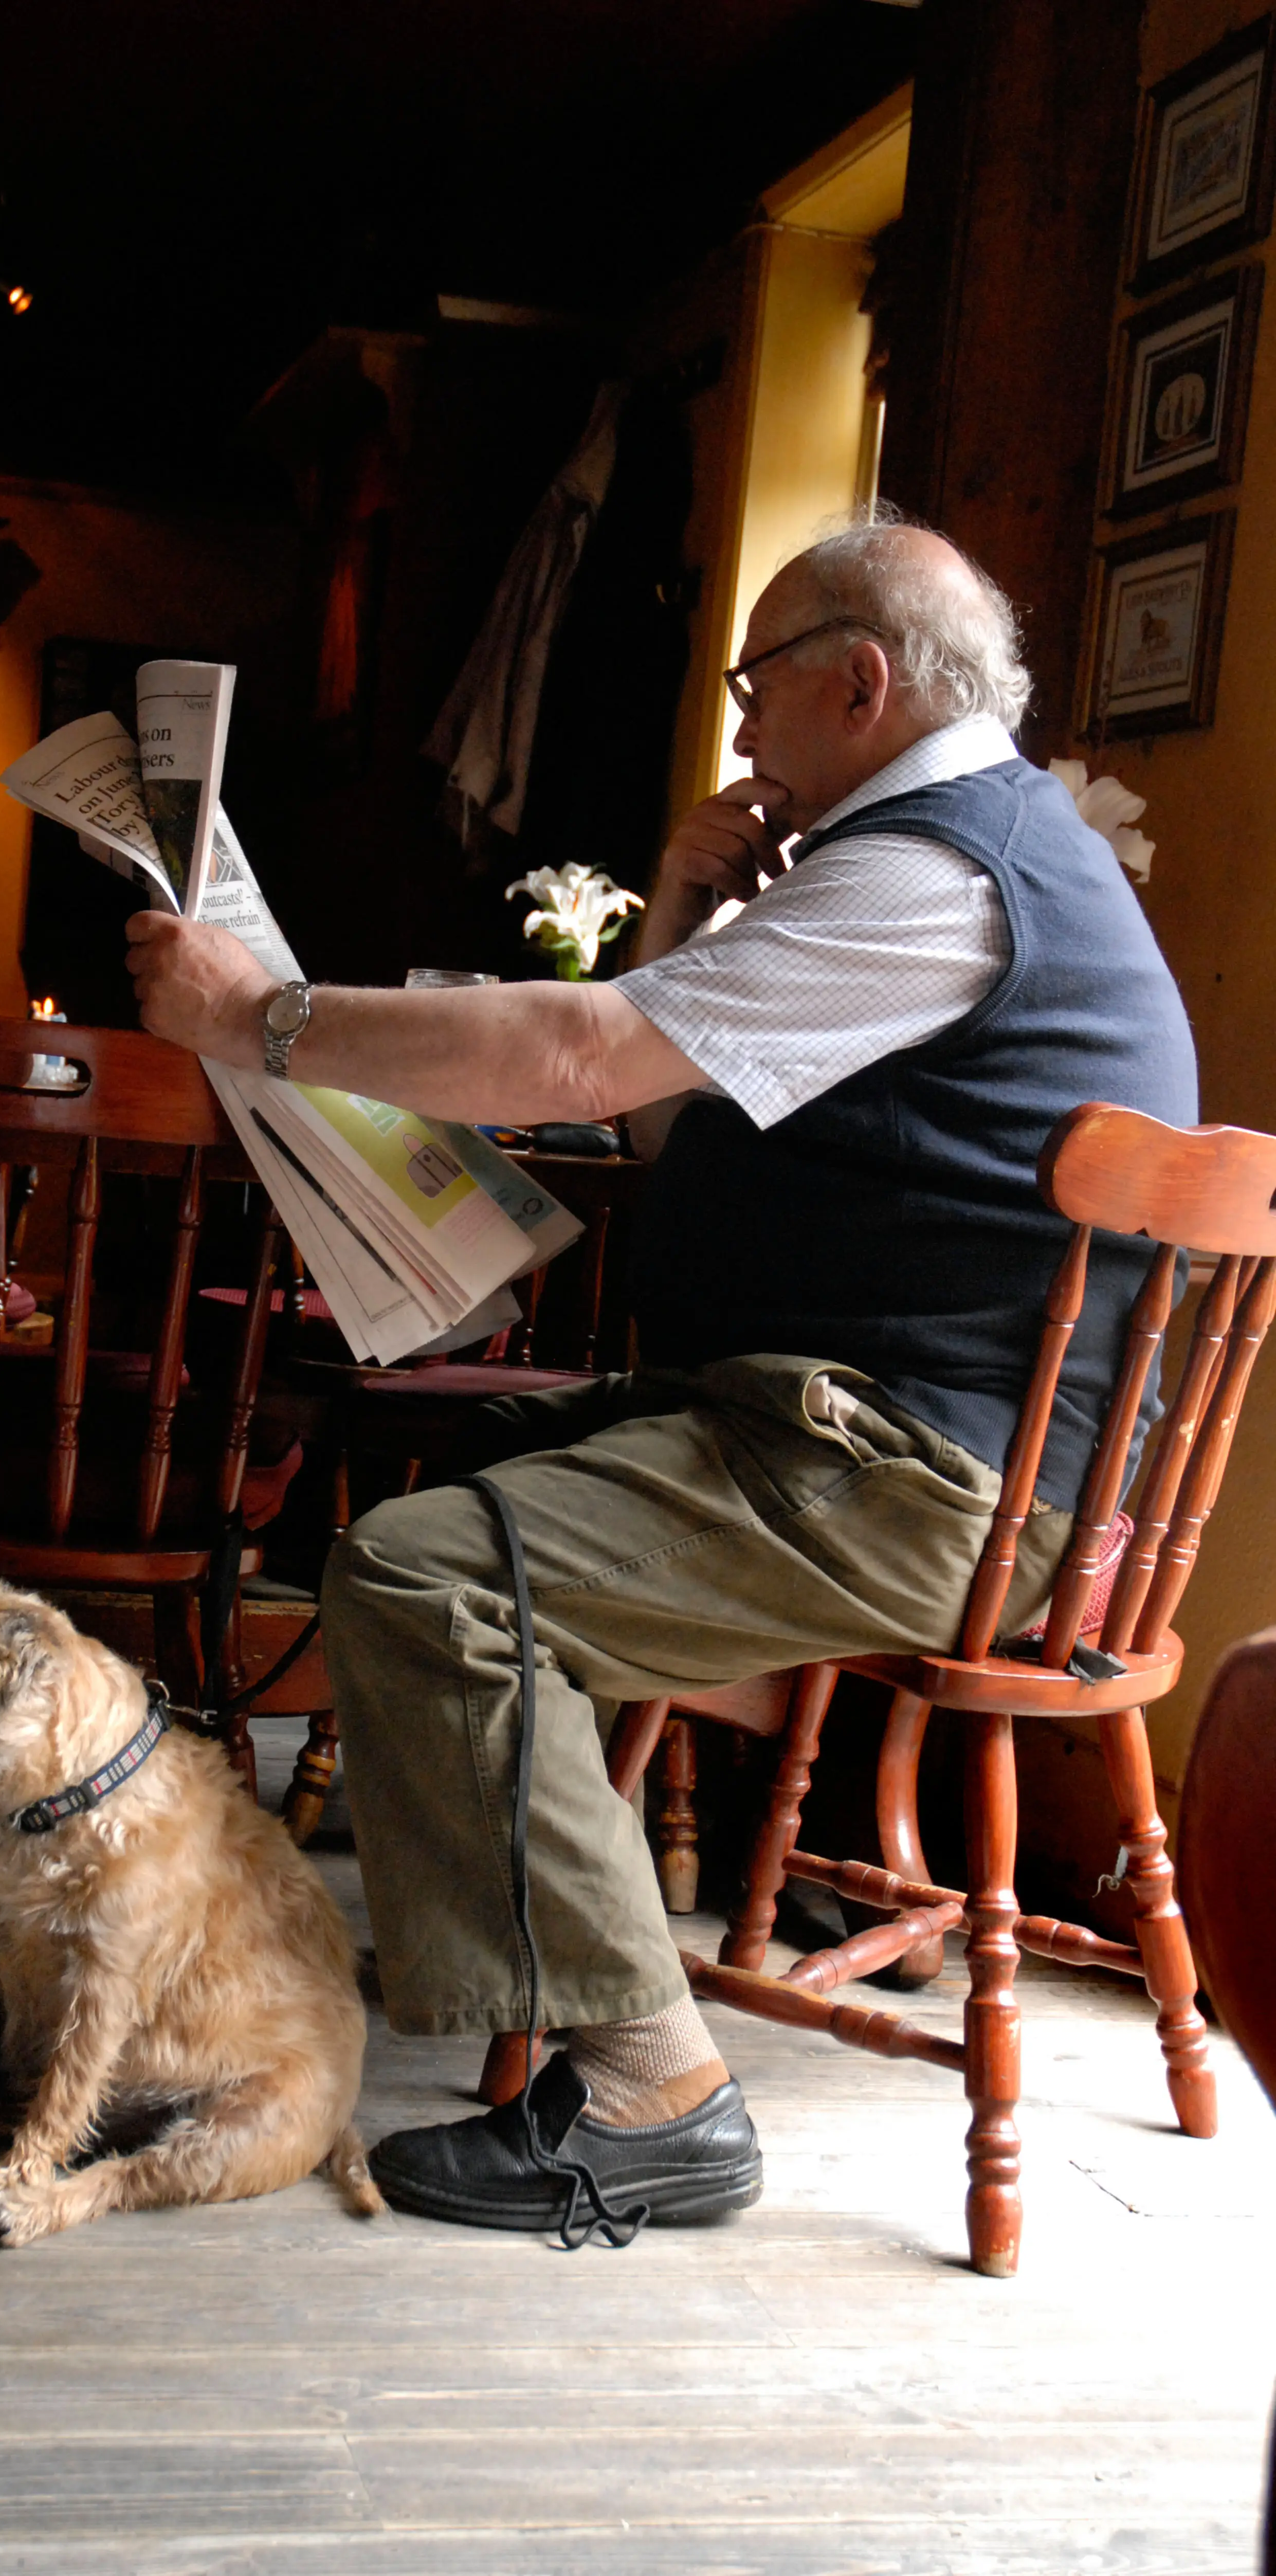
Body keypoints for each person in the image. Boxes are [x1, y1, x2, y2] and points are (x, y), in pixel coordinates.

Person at [125, 515, 1197, 2234]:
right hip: (851, 1435)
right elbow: (647, 1109)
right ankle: (346, 1956)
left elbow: (574, 1057)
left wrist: (266, 1017)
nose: (743, 731)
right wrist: (688, 903)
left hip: (932, 1478)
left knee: (427, 1585)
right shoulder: (953, 852)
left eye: (754, 686)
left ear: (862, 680)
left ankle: (653, 2089)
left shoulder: (932, 874)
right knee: (414, 1481)